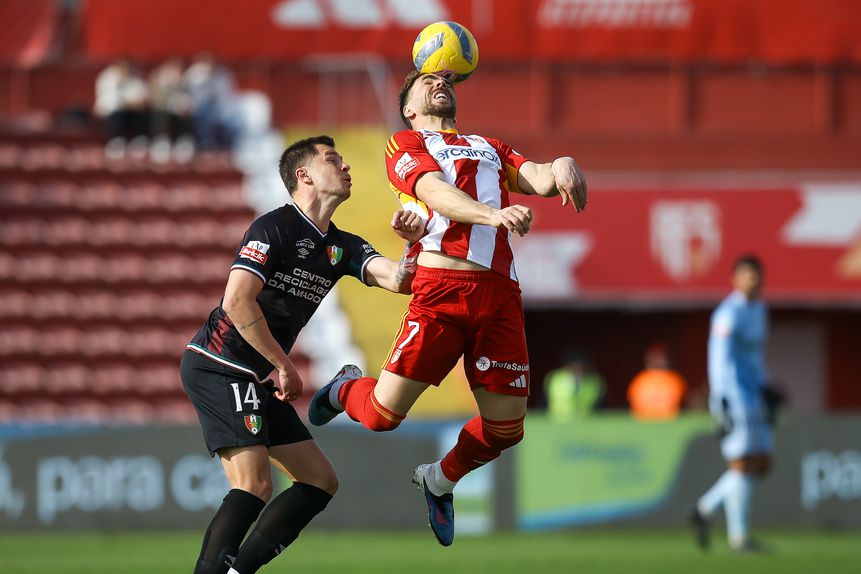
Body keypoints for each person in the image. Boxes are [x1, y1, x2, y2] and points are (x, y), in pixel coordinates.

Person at [308, 71, 587, 546]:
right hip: (441, 290)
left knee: (506, 429)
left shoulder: (488, 145)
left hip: (499, 295)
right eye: (424, 80)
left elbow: (536, 177)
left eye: (443, 78)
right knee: (380, 417)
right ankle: (344, 387)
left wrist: (560, 164)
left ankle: (439, 480)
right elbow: (436, 192)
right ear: (409, 108)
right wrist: (492, 214)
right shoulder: (405, 142)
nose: (438, 81)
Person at [180, 135, 424, 574]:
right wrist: (283, 364)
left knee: (319, 480)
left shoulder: (342, 245)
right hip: (221, 364)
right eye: (333, 159)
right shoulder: (273, 227)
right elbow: (237, 302)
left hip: (255, 375)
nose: (346, 167)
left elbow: (399, 281)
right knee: (254, 486)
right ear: (304, 174)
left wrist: (411, 244)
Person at [690, 255, 772, 552]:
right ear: (735, 279)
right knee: (742, 463)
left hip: (754, 394)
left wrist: (766, 387)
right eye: (747, 275)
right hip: (733, 395)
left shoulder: (761, 309)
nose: (753, 281)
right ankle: (739, 538)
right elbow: (719, 357)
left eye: (757, 275)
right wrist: (721, 397)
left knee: (761, 463)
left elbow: (756, 356)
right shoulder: (728, 313)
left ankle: (705, 509)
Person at [627, 342, 687, 420]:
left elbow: (683, 401)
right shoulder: (640, 379)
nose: (657, 361)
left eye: (659, 358)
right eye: (655, 358)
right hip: (643, 419)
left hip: (668, 419)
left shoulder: (674, 379)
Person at [544, 350, 606, 421]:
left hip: (585, 423)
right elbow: (543, 403)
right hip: (557, 421)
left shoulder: (595, 382)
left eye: (581, 366)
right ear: (567, 366)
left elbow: (601, 407)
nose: (577, 369)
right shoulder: (554, 378)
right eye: (573, 366)